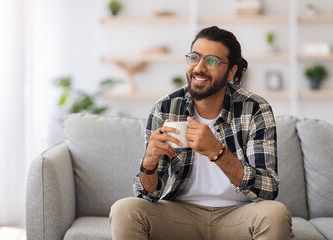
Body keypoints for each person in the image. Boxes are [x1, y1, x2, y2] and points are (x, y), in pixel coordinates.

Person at [109, 26, 292, 240]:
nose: (199, 68)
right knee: (125, 210)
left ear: (231, 71)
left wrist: (217, 151)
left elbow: (268, 190)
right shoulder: (166, 108)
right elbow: (148, 195)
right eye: (194, 57)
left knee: (275, 213)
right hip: (181, 213)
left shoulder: (255, 108)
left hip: (238, 214)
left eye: (212, 61)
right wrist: (148, 162)